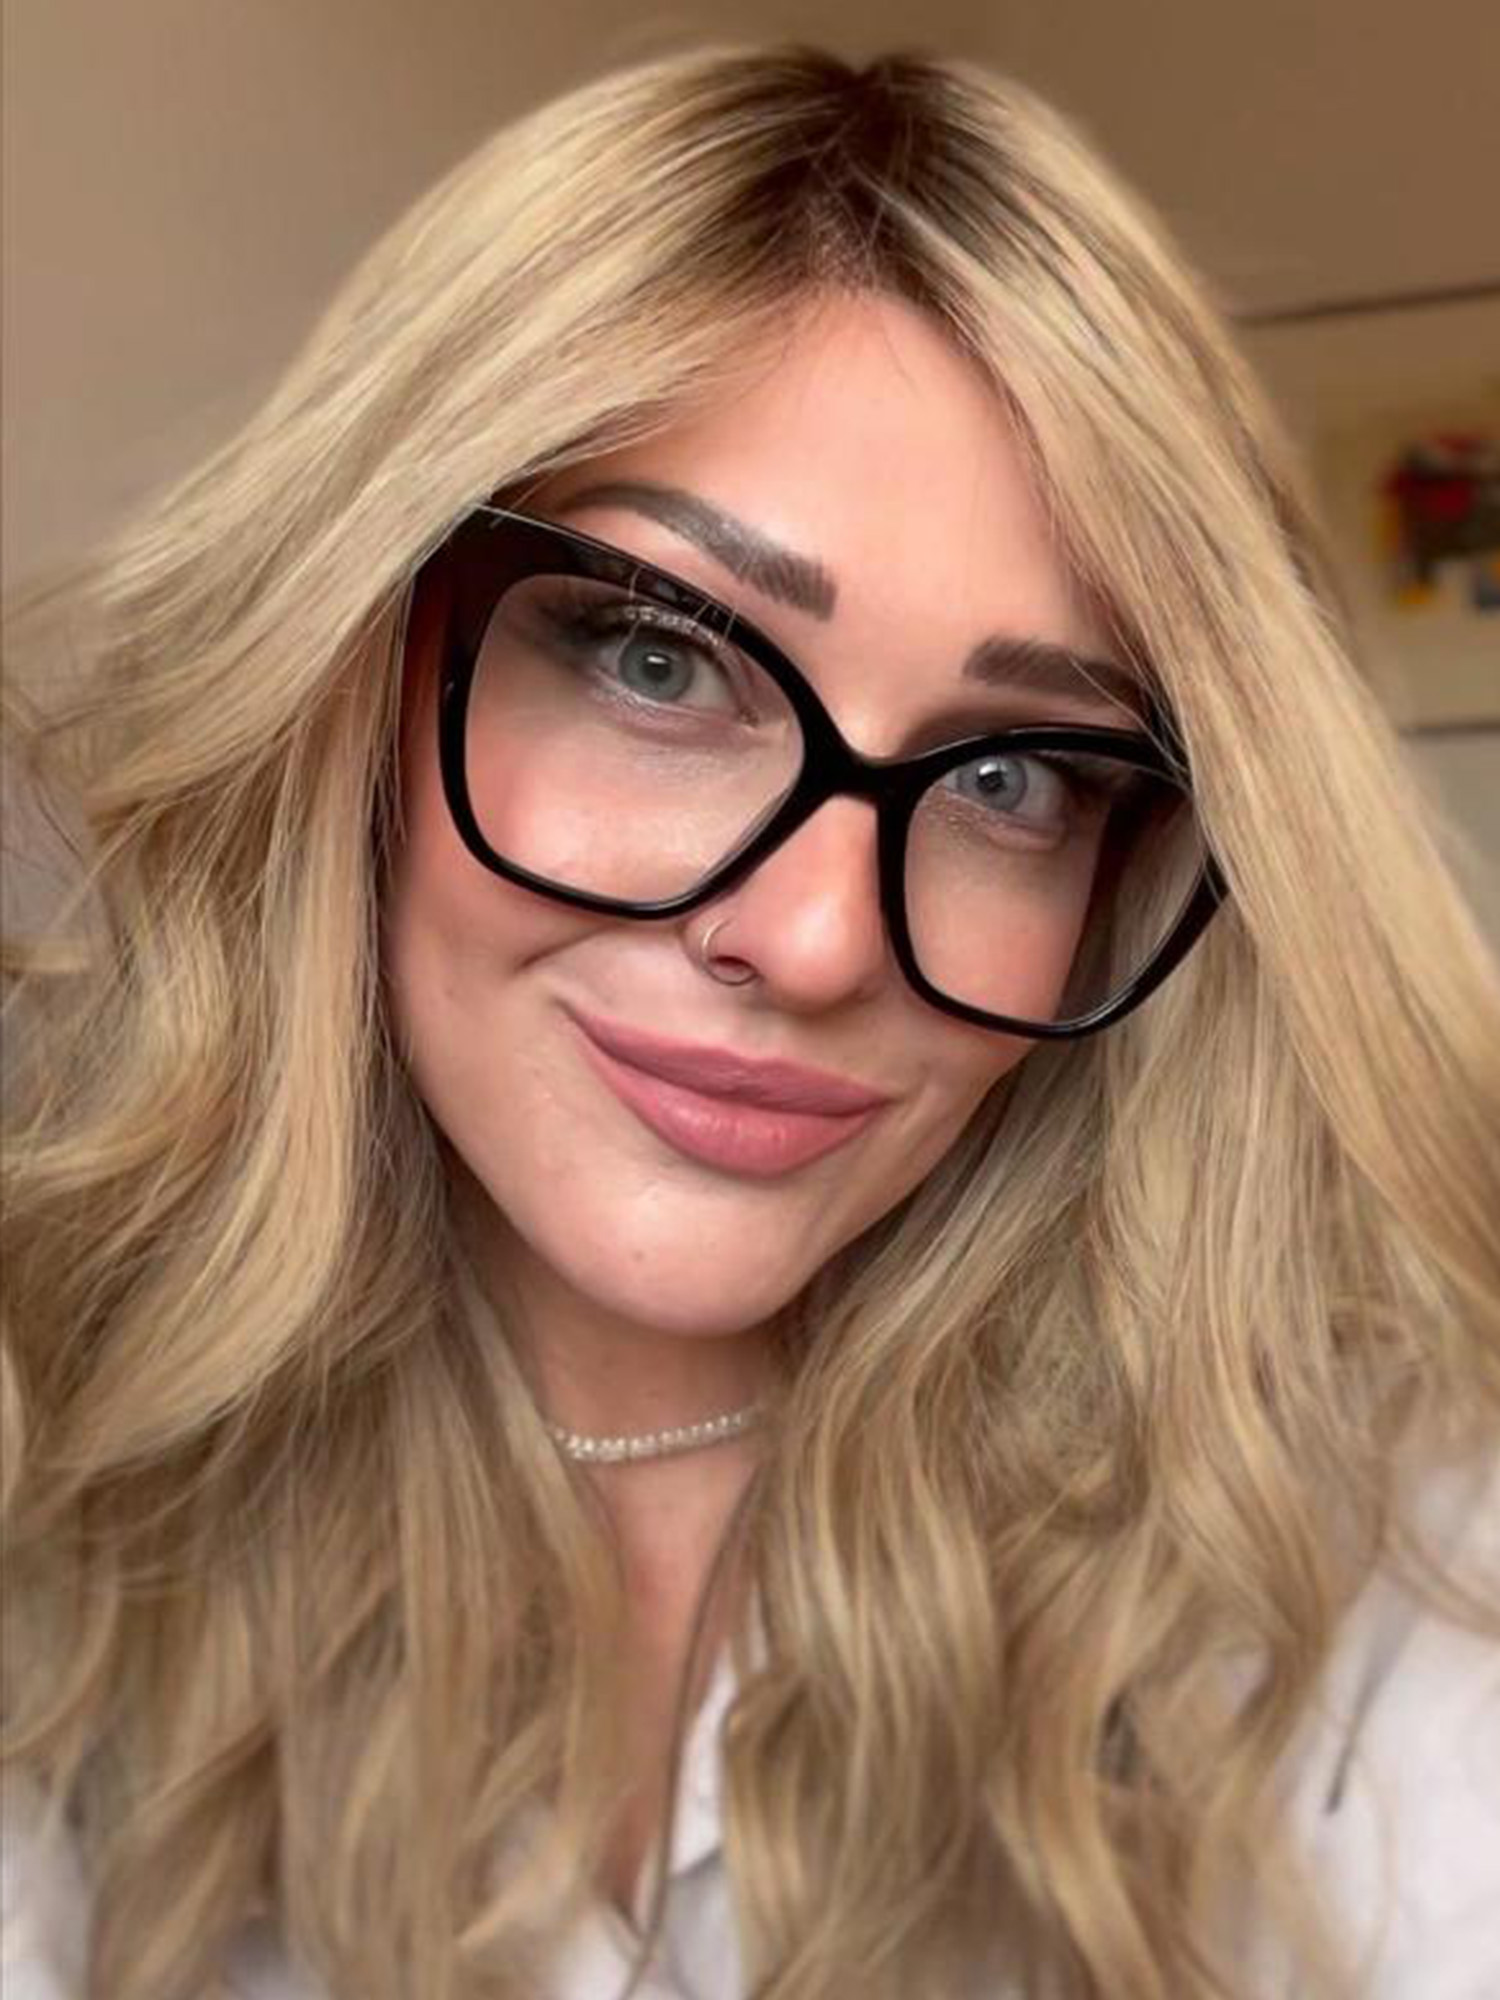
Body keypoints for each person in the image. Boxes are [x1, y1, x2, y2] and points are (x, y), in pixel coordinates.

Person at [2, 39, 1497, 2000]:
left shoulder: (1374, 1583)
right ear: (358, 664)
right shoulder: (69, 1476)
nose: (812, 940)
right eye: (659, 660)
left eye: (1010, 777)